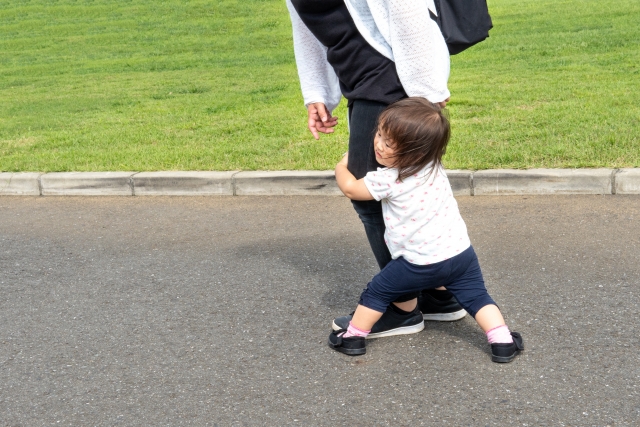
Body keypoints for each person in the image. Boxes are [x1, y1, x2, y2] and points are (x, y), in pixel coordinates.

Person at [287, 0, 465, 337]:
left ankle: (403, 308)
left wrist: (427, 88)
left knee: (369, 197)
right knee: (388, 197)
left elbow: (403, 6)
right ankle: (440, 294)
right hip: (360, 80)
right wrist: (317, 93)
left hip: (390, 77)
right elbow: (307, 28)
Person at [328, 98, 524, 362]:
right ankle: (503, 342)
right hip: (460, 255)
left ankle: (352, 337)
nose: (378, 144)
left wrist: (343, 164)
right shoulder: (434, 165)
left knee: (378, 291)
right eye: (378, 134)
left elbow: (351, 188)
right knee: (478, 296)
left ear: (415, 153)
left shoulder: (391, 179)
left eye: (388, 143)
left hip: (418, 263)